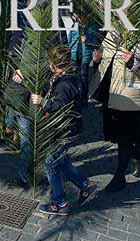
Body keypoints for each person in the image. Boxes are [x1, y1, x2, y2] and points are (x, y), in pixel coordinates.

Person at [93, 31, 140, 192]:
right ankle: (137, 153)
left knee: (125, 137)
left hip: (131, 97)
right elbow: (104, 59)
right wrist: (97, 60)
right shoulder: (112, 33)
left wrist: (134, 62)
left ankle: (120, 176)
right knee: (116, 135)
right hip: (111, 94)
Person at [35, 46, 98, 216]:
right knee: (60, 161)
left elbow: (59, 106)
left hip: (64, 131)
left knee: (51, 163)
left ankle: (60, 202)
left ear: (54, 64)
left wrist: (42, 102)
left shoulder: (64, 84)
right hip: (68, 129)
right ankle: (85, 185)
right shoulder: (68, 78)